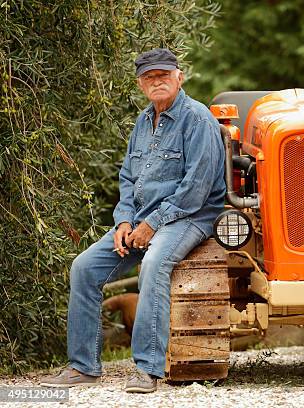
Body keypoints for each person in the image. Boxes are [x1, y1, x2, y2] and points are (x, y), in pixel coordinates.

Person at [40, 48, 226, 393]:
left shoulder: (198, 119)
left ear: (179, 77)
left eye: (163, 75)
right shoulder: (143, 121)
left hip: (190, 217)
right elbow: (128, 178)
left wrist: (152, 225)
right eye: (150, 77)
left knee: (153, 264)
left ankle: (147, 369)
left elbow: (195, 190)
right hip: (141, 220)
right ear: (141, 84)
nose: (157, 82)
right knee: (83, 267)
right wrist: (124, 221)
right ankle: (83, 367)